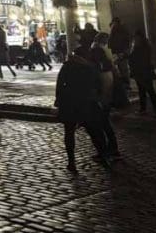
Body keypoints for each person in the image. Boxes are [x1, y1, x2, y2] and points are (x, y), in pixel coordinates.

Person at [55, 45, 108, 173]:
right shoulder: (89, 67)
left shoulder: (68, 66)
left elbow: (60, 84)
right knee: (95, 131)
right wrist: (98, 97)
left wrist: (59, 100)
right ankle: (103, 156)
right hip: (86, 102)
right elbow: (98, 84)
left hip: (69, 103)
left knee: (69, 133)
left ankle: (71, 162)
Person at [88, 33, 120, 158]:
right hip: (106, 99)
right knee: (105, 124)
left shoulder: (99, 70)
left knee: (102, 125)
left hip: (101, 100)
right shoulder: (107, 67)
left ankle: (107, 150)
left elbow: (99, 87)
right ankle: (111, 149)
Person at [129, 30, 156, 115]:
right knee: (144, 90)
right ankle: (145, 109)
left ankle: (153, 109)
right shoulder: (144, 46)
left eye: (136, 37)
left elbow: (137, 58)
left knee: (149, 90)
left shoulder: (140, 47)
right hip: (142, 71)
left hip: (142, 71)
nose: (135, 39)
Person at [109, 18, 131, 89]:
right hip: (118, 51)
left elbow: (126, 41)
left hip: (120, 51)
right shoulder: (116, 30)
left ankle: (126, 83)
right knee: (120, 68)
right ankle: (124, 84)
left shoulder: (121, 30)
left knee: (123, 68)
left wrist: (124, 51)